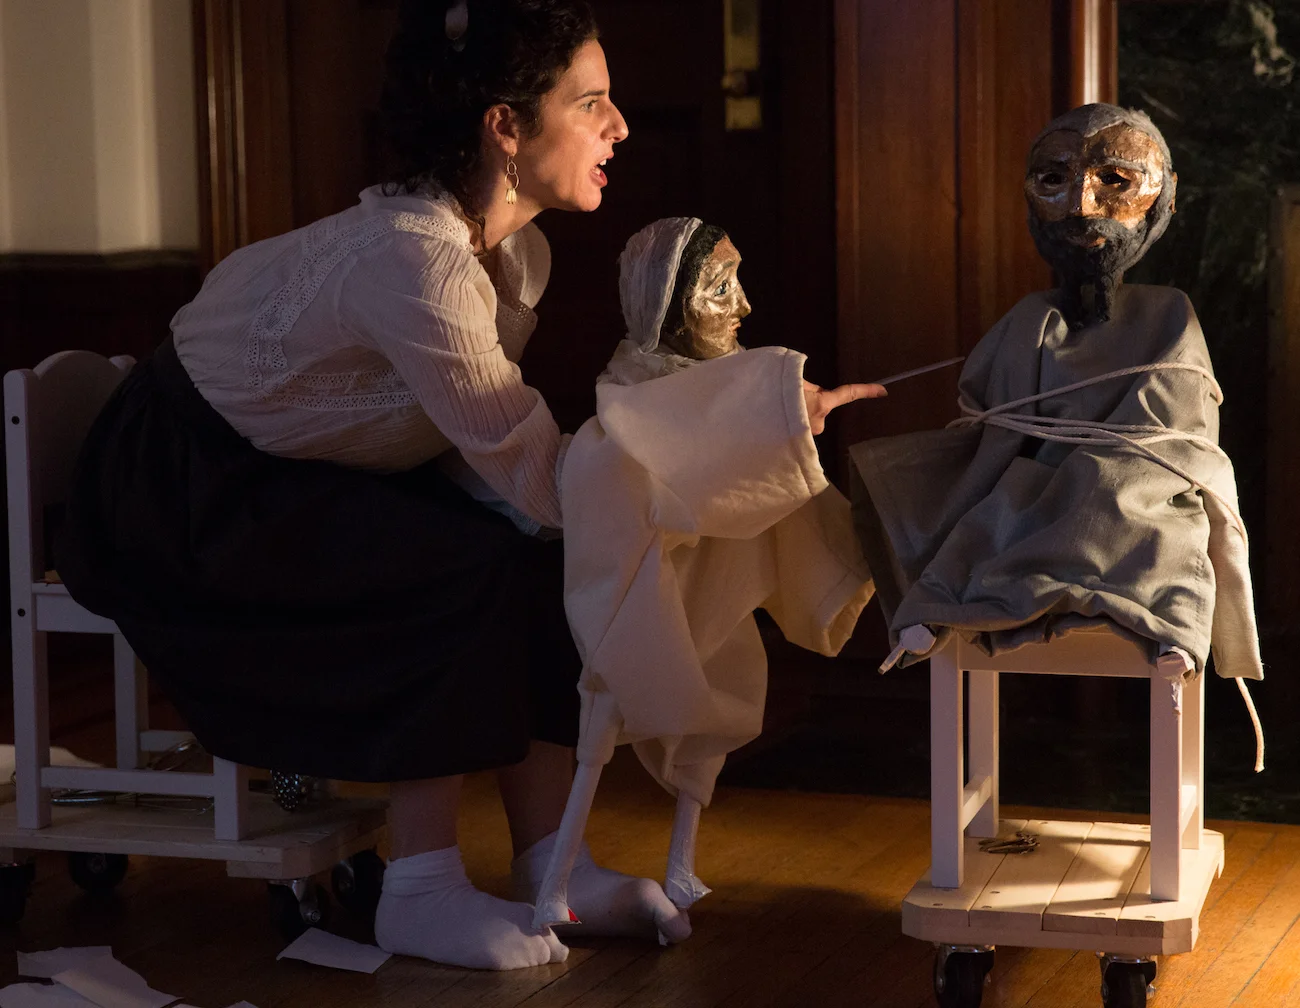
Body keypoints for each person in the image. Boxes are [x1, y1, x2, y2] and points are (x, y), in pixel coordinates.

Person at [57, 0, 876, 972]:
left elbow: (525, 485)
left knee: (535, 550)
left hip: (295, 469)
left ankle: (551, 862)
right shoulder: (421, 264)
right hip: (182, 492)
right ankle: (421, 887)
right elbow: (541, 478)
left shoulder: (513, 253)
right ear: (505, 127)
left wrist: (736, 431)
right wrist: (744, 429)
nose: (619, 126)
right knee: (457, 560)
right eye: (591, 103)